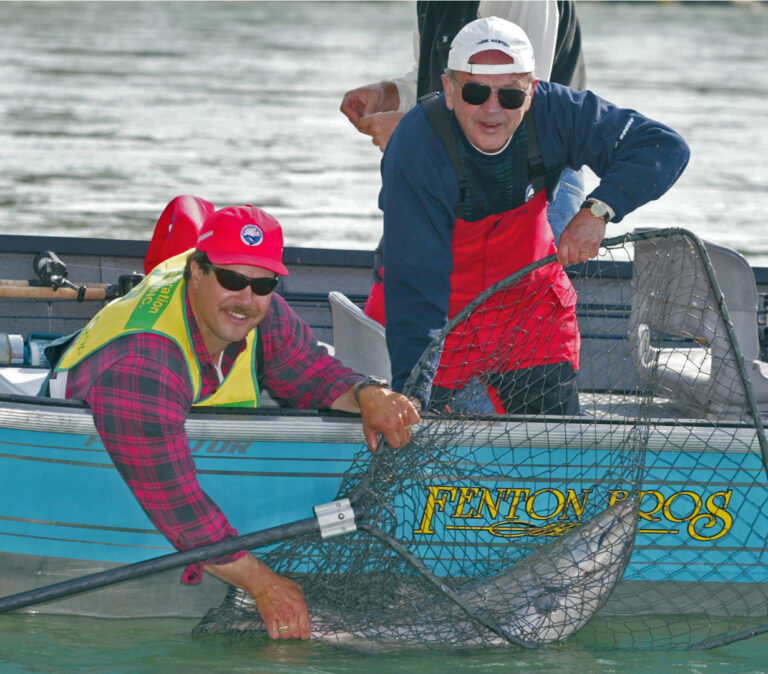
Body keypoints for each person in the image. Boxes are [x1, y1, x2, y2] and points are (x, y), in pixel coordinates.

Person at [45, 205, 421, 640]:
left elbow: (308, 370)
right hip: (123, 443)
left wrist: (367, 393)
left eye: (263, 284)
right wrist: (264, 585)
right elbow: (178, 507)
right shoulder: (145, 365)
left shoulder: (260, 309)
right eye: (231, 279)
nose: (246, 298)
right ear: (196, 271)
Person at [379, 16, 690, 413]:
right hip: (443, 319)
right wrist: (412, 393)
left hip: (531, 318)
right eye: (475, 92)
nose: (492, 109)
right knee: (424, 420)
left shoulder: (557, 110)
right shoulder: (415, 146)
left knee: (552, 449)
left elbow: (663, 146)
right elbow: (415, 283)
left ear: (531, 92)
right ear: (449, 90)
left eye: (510, 95)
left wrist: (599, 209)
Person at [340, 1, 588, 323]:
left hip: (541, 178)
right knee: (407, 287)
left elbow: (518, 103)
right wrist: (388, 94)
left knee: (522, 321)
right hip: (453, 163)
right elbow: (435, 81)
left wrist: (414, 132)